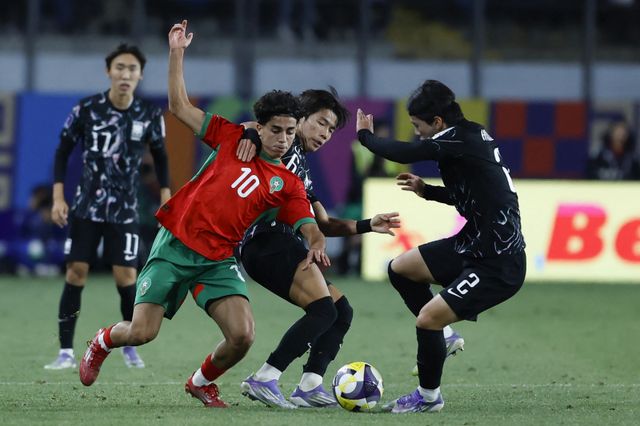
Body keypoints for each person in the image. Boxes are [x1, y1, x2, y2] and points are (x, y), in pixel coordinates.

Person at [78, 20, 330, 410]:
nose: (283, 139)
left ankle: (200, 383)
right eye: (275, 130)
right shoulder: (232, 138)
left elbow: (308, 224)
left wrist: (316, 243)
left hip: (218, 259)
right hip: (175, 246)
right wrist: (176, 52)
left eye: (289, 131)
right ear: (259, 127)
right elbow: (179, 107)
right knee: (143, 333)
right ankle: (102, 341)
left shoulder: (289, 183)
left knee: (243, 336)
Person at [356, 79, 526, 413]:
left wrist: (365, 136)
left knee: (426, 320)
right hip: (474, 244)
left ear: (437, 122)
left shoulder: (456, 139)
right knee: (401, 269)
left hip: (497, 262)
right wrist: (427, 191)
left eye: (418, 126)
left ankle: (428, 397)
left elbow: (405, 153)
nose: (417, 133)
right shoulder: (470, 136)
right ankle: (445, 336)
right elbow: (472, 195)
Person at [236, 89, 400, 409]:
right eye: (321, 123)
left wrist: (367, 224)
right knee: (323, 310)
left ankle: (310, 385)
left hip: (281, 243)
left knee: (340, 312)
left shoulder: (302, 168)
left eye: (331, 129)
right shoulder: (281, 144)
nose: (325, 133)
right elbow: (250, 127)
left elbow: (322, 223)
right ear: (299, 119)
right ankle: (265, 377)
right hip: (267, 241)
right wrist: (249, 133)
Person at [45, 43, 171, 370]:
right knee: (76, 272)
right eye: (120, 68)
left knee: (126, 276)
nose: (125, 74)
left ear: (140, 75)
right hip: (86, 206)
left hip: (125, 209)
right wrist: (58, 197)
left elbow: (161, 157)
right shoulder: (87, 109)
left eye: (132, 69)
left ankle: (130, 344)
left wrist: (166, 195)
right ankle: (65, 352)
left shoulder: (149, 114)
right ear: (108, 72)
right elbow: (62, 151)